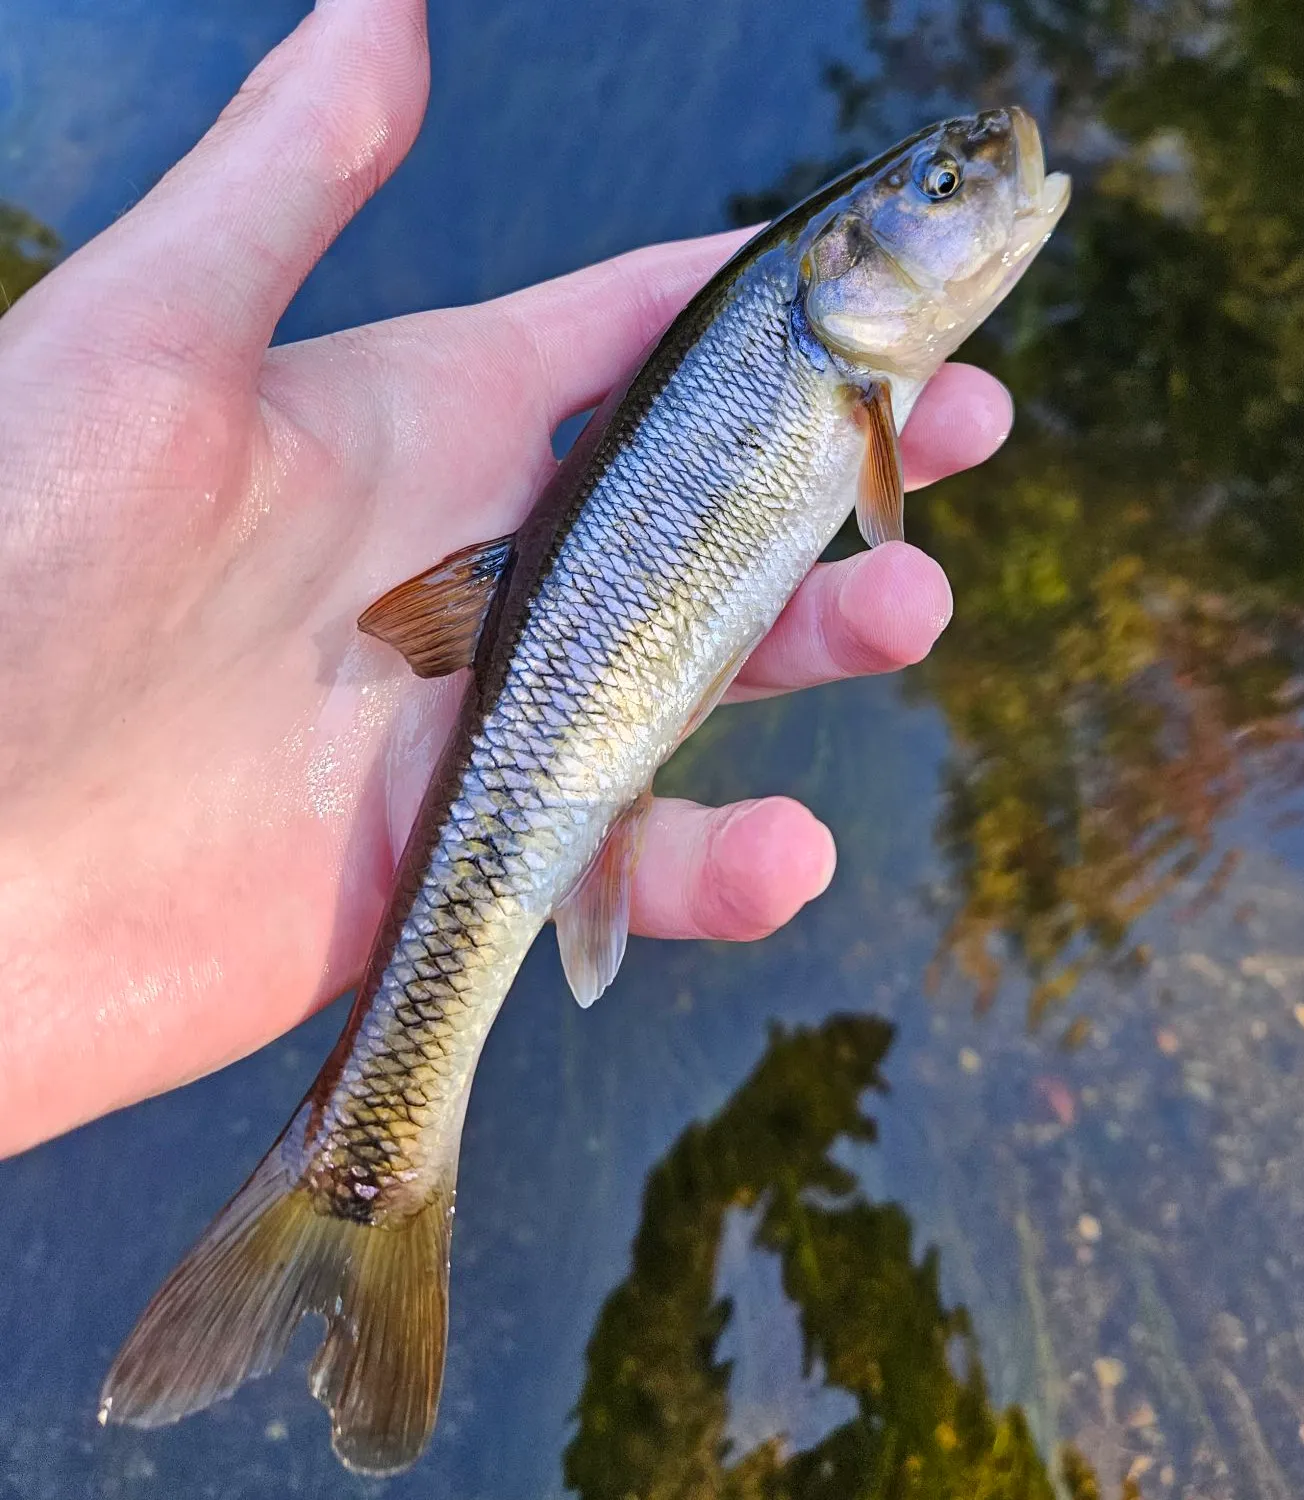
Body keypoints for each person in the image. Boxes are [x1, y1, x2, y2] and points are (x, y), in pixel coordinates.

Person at [0, 0, 1013, 1159]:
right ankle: (371, 1150)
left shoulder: (830, 367)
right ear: (840, 266)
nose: (982, 178)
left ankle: (372, 1141)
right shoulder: (831, 376)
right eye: (942, 188)